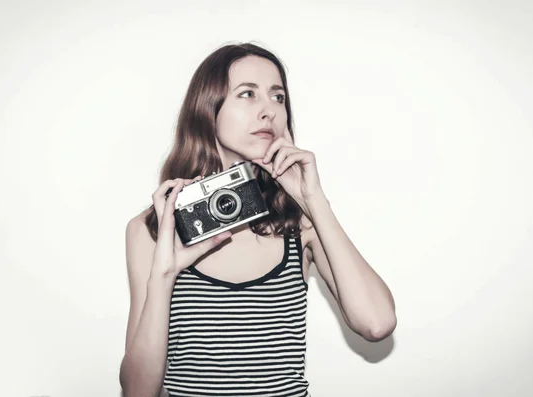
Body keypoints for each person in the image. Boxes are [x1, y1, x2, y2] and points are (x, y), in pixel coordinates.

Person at [119, 42, 397, 397]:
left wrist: (313, 200)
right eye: (248, 94)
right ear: (208, 108)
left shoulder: (301, 222)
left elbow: (377, 324)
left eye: (278, 97)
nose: (269, 111)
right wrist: (164, 275)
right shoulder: (153, 230)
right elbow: (138, 392)